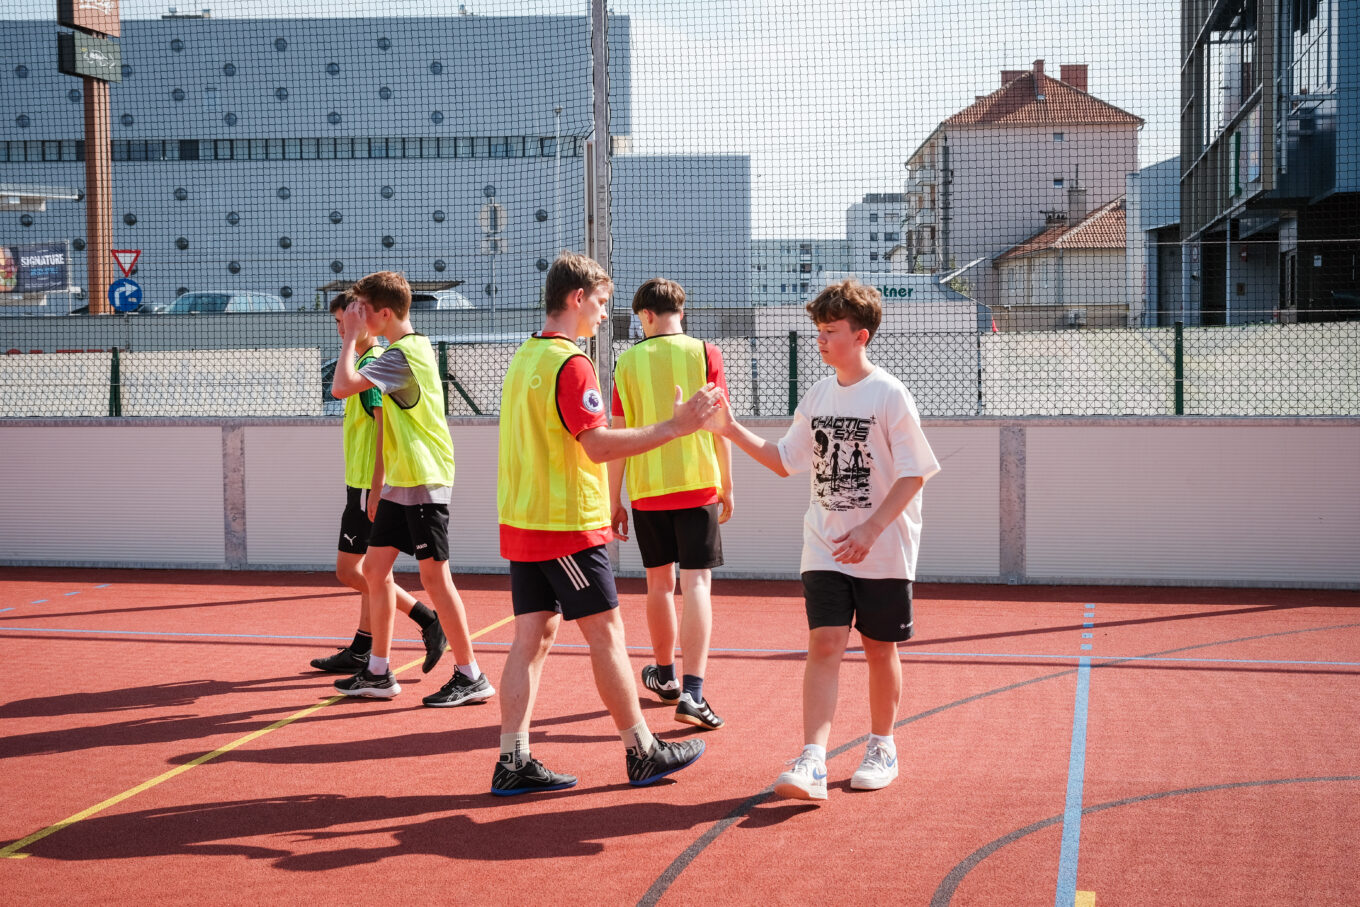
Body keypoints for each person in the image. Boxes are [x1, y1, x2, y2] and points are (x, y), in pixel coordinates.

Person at [491, 252, 724, 795]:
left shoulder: (526, 356)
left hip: (523, 520)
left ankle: (513, 758)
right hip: (564, 523)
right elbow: (595, 445)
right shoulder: (572, 364)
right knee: (607, 636)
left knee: (533, 637)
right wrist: (675, 425)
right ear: (577, 298)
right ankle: (642, 749)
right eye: (599, 303)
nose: (603, 315)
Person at [709, 278, 940, 801]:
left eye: (830, 330)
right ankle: (813, 759)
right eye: (817, 330)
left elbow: (914, 473)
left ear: (860, 336)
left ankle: (882, 745)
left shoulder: (890, 394)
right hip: (825, 545)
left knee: (879, 649)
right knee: (825, 644)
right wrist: (729, 428)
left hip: (883, 549)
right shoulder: (817, 393)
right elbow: (785, 461)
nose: (820, 339)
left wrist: (872, 528)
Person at [329, 271, 493, 708]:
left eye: (363, 309)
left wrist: (349, 338)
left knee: (435, 578)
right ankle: (379, 671)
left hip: (424, 478)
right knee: (376, 572)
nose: (356, 316)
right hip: (403, 480)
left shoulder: (402, 354)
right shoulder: (402, 351)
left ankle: (471, 674)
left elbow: (341, 386)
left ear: (383, 313)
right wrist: (380, 484)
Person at [609, 277, 732, 731]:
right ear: (680, 310)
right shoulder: (705, 353)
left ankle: (665, 677)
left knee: (659, 585)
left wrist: (613, 500)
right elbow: (721, 424)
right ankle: (694, 694)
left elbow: (619, 434)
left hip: (646, 490)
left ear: (644, 315)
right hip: (698, 483)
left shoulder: (626, 362)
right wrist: (728, 484)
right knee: (697, 584)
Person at [310, 290, 448, 678]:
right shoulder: (371, 361)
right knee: (371, 570)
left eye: (346, 321)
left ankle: (425, 619)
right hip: (361, 481)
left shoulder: (373, 366)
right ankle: (363, 648)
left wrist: (376, 484)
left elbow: (385, 425)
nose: (342, 330)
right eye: (338, 324)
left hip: (371, 484)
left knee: (354, 571)